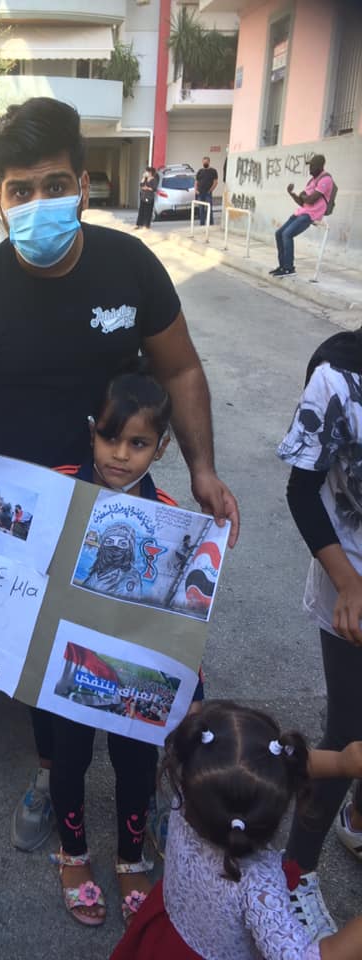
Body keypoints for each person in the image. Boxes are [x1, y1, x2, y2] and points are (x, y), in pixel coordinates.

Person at [0, 97, 239, 859]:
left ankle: (149, 785)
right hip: (23, 514)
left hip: (119, 503)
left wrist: (202, 468)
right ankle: (52, 775)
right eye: (20, 189)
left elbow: (181, 368)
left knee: (136, 648)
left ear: (82, 184)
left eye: (53, 184)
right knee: (41, 654)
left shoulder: (128, 266)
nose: (38, 202)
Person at [47, 369, 175, 927]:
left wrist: (193, 679)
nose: (121, 455)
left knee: (136, 763)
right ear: (91, 431)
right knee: (67, 757)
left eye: (138, 443)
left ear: (161, 447)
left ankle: (131, 858)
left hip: (134, 667)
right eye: (109, 437)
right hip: (64, 659)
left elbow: (181, 612)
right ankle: (72, 853)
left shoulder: (171, 515)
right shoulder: (57, 488)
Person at [110, 700, 362, 959]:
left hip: (165, 934)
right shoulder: (257, 886)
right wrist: (341, 763)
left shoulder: (190, 792)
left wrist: (341, 762)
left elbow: (269, 766)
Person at [276, 326, 362, 940]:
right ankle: (295, 872)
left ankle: (355, 820)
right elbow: (301, 492)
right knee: (350, 733)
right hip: (351, 578)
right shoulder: (338, 378)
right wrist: (349, 585)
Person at [270, 154, 333, 277]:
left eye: (312, 166)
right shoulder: (311, 181)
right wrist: (291, 193)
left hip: (311, 215)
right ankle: (282, 266)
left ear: (320, 166)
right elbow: (302, 201)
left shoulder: (326, 179)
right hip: (301, 212)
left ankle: (289, 268)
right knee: (279, 233)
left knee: (287, 234)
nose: (310, 169)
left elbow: (311, 200)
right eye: (309, 165)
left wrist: (304, 196)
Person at [194, 156, 218, 226]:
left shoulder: (213, 171)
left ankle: (211, 223)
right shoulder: (200, 171)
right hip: (200, 193)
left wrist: (211, 190)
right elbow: (196, 182)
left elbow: (215, 182)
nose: (205, 163)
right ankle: (202, 224)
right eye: (204, 162)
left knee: (209, 209)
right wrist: (196, 190)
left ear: (209, 162)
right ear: (202, 162)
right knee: (201, 209)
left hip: (208, 193)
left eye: (206, 162)